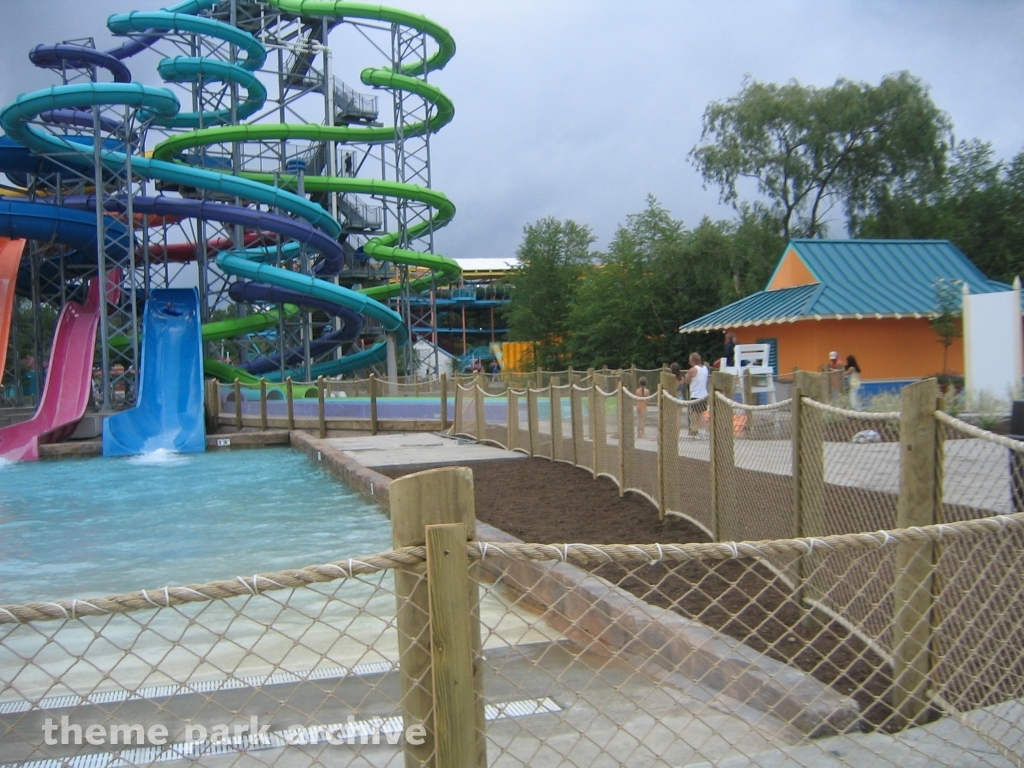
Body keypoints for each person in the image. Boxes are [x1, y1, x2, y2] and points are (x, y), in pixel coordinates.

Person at [683, 353, 709, 436]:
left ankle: (696, 430)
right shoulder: (705, 368)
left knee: (695, 414)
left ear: (692, 361)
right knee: (701, 413)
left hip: (696, 394)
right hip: (704, 394)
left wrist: (687, 375)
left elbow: (686, 381)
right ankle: (704, 430)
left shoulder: (693, 370)